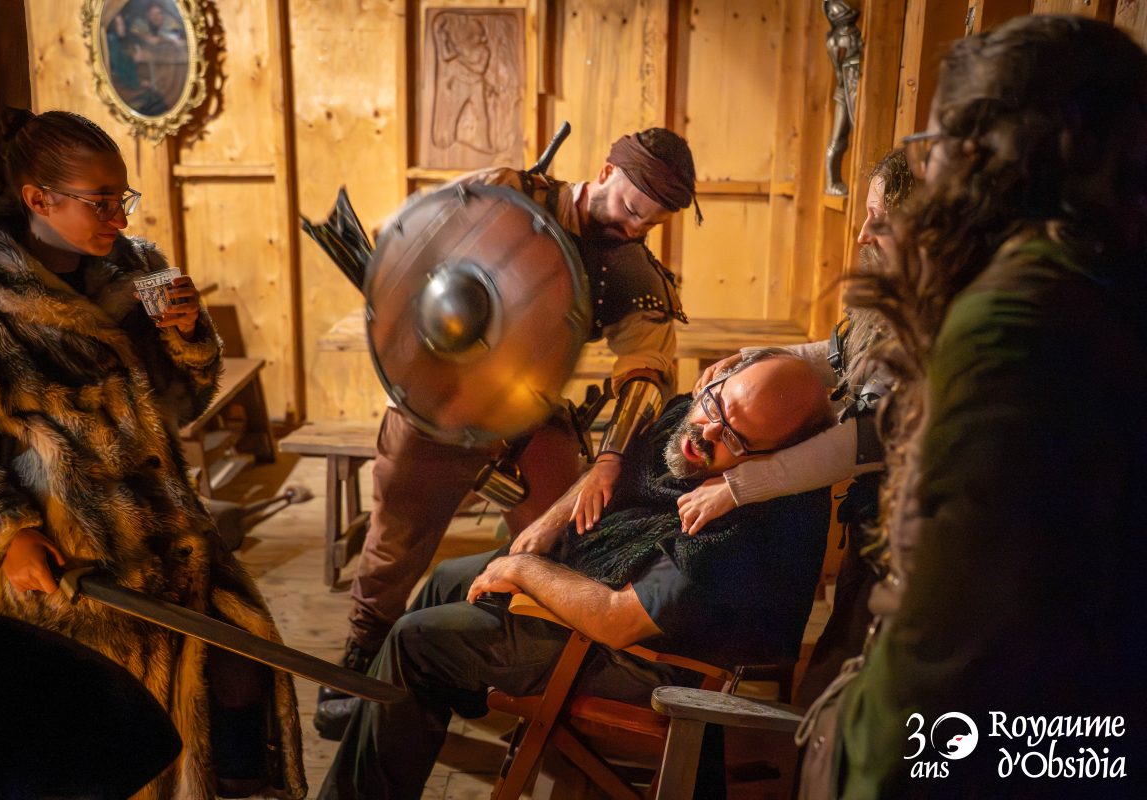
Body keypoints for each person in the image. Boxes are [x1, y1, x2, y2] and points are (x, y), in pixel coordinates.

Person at [0, 109, 305, 799]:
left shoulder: (134, 270)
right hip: (83, 565)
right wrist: (5, 533)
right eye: (100, 201)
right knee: (128, 743)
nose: (119, 216)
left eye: (123, 197)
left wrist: (186, 337)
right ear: (38, 198)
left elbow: (182, 401)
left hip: (178, 541)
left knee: (240, 682)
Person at [835, 15, 1147, 796]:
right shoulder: (1105, 280)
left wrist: (863, 763)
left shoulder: (1015, 319)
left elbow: (952, 649)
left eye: (936, 143)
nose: (929, 168)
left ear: (986, 156)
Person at [316, 128, 699, 736]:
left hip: (526, 414)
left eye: (650, 222)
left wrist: (609, 459)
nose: (635, 228)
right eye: (631, 208)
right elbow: (405, 238)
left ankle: (467, 661)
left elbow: (647, 367)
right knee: (394, 544)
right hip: (439, 398)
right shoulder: (506, 193)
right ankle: (358, 662)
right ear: (605, 172)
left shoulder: (629, 267)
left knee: (559, 541)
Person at [317, 349, 836, 799]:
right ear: (719, 376)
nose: (708, 433)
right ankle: (426, 707)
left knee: (418, 641)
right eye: (717, 406)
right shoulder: (693, 417)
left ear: (772, 462)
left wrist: (524, 568)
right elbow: (607, 476)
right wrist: (548, 522)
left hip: (640, 658)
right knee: (445, 580)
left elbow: (616, 619)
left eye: (736, 441)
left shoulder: (745, 524)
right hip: (600, 575)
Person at [678, 150, 914, 704]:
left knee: (845, 693)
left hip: (913, 544)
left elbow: (865, 443)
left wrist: (738, 487)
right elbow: (838, 356)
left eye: (880, 220)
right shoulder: (897, 293)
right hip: (875, 525)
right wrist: (754, 359)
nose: (863, 235)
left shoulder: (937, 318)